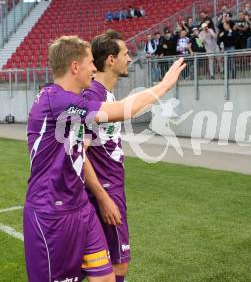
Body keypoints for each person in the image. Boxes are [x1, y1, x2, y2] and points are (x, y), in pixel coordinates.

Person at [24, 35, 185, 282]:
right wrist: (164, 86)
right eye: (90, 62)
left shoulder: (70, 100)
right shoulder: (56, 101)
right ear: (75, 67)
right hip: (51, 211)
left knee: (106, 277)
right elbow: (121, 111)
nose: (94, 67)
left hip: (81, 207)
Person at [82, 30, 132, 282]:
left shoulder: (107, 94)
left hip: (111, 189)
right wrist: (103, 198)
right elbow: (79, 153)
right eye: (126, 54)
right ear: (111, 60)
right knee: (116, 265)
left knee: (109, 265)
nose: (130, 59)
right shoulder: (93, 96)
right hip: (104, 192)